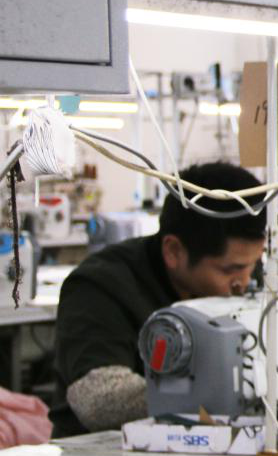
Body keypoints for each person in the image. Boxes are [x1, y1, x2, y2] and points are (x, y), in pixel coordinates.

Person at [50, 163, 266, 438]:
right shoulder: (99, 286)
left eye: (253, 264)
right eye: (230, 270)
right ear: (174, 251)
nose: (245, 283)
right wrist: (217, 395)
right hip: (105, 455)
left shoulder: (245, 272)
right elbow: (99, 400)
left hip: (206, 447)